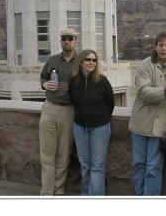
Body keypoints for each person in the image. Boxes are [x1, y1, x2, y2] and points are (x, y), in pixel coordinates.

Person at [128, 31, 166, 195]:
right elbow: (144, 92)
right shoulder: (146, 65)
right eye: (160, 45)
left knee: (153, 167)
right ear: (155, 46)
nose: (163, 48)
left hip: (161, 126)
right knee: (139, 165)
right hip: (141, 124)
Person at [69, 49, 115, 195]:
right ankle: (86, 194)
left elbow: (111, 104)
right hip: (80, 127)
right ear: (81, 62)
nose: (91, 63)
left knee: (97, 166)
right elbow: (73, 101)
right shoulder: (74, 81)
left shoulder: (102, 81)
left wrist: (100, 118)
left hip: (99, 128)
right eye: (88, 59)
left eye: (94, 60)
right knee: (85, 165)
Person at [39, 28, 78, 195]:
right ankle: (46, 193)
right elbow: (43, 76)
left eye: (70, 38)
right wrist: (44, 84)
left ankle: (58, 190)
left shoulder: (81, 61)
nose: (67, 42)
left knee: (63, 154)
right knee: (47, 154)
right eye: (64, 39)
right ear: (60, 41)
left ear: (76, 41)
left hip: (69, 111)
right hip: (49, 108)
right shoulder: (52, 60)